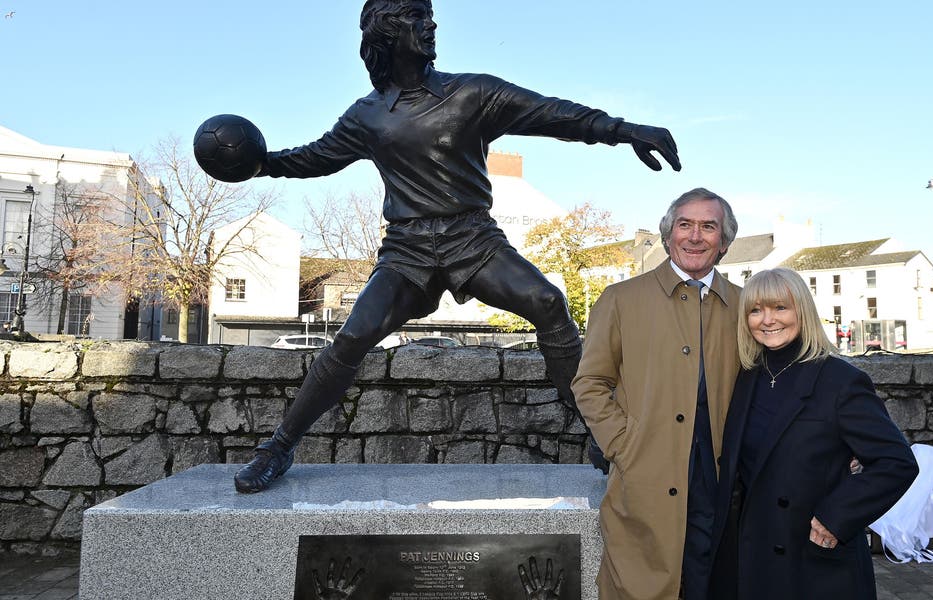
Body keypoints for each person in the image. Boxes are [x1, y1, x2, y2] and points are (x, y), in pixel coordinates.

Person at [233, 0, 682, 493]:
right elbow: (316, 157)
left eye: (429, 15)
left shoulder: (474, 93)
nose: (431, 25)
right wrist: (260, 164)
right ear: (386, 30)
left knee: (549, 303)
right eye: (415, 17)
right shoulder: (366, 116)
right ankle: (277, 446)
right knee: (354, 335)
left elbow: (555, 115)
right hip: (407, 250)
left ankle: (599, 429)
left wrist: (625, 131)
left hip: (473, 239)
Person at [707, 268, 919, 600]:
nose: (767, 319)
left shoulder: (840, 379)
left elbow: (896, 462)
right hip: (751, 552)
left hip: (811, 557)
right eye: (756, 310)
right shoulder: (747, 376)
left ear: (801, 311)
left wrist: (837, 516)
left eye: (780, 308)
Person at [573, 188, 740, 600]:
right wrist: (623, 444)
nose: (695, 236)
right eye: (685, 225)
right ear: (668, 236)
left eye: (708, 226)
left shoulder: (745, 303)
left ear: (724, 241)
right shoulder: (621, 299)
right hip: (643, 475)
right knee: (639, 584)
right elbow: (590, 382)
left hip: (720, 481)